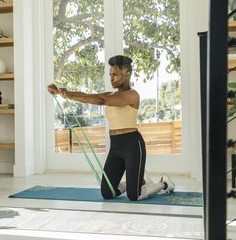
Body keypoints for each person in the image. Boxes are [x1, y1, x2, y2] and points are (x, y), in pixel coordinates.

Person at [47, 55, 175, 201]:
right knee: (107, 192)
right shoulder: (110, 95)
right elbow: (89, 95)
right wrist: (62, 92)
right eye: (110, 75)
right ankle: (140, 182)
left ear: (127, 74)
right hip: (115, 146)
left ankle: (164, 183)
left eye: (115, 75)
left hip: (132, 144)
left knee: (135, 195)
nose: (111, 78)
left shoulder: (132, 95)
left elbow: (102, 100)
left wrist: (69, 95)